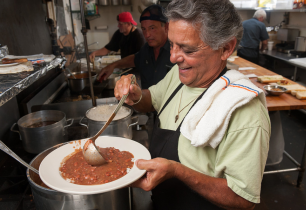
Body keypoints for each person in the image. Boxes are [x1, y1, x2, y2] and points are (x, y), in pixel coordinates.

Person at [114, 0, 270, 210]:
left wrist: (178, 171)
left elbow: (243, 199)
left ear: (225, 48)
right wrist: (136, 95)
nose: (173, 57)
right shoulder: (179, 74)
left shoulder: (244, 110)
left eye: (188, 50)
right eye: (172, 44)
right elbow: (153, 99)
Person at [97, 5, 174, 89]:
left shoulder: (177, 51)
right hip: (147, 101)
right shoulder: (146, 49)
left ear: (166, 27)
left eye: (152, 28)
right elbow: (135, 59)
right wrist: (113, 65)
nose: (147, 35)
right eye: (144, 29)